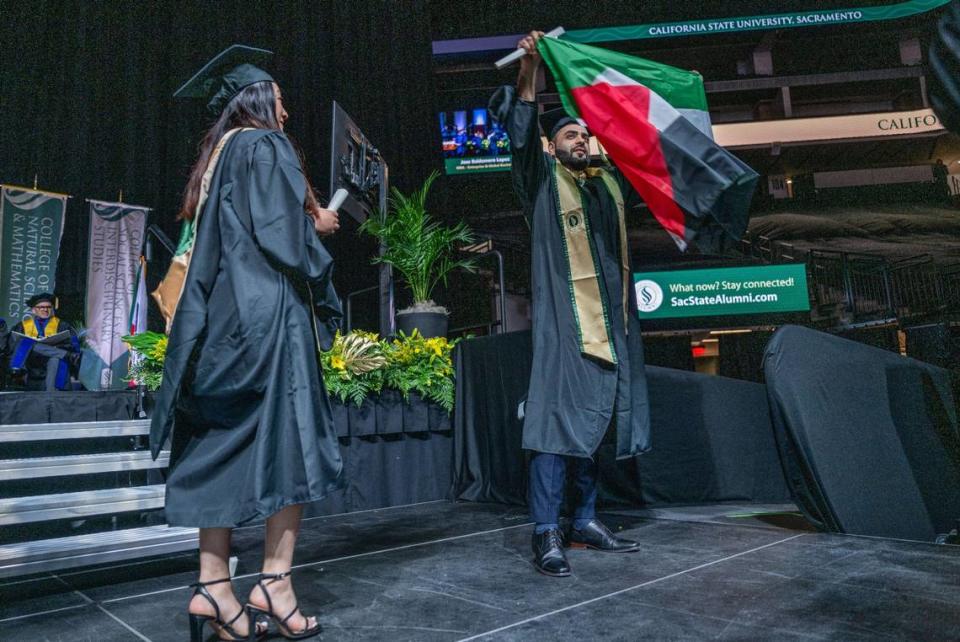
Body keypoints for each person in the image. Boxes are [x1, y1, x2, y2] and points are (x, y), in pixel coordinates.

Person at [150, 45, 342, 642]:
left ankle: (213, 587)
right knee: (294, 442)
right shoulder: (264, 146)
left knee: (221, 447)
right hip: (268, 324)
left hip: (223, 326)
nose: (286, 112)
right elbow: (283, 241)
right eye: (281, 100)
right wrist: (318, 228)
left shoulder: (218, 158)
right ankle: (275, 581)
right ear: (260, 101)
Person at [488, 31, 651, 577]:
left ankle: (583, 519)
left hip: (611, 325)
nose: (579, 139)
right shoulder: (539, 183)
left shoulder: (606, 186)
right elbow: (519, 132)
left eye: (584, 133)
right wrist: (531, 69)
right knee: (556, 428)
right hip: (565, 329)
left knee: (596, 425)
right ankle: (545, 531)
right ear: (551, 146)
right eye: (570, 134)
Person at [8, 293, 81, 391]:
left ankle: (50, 396)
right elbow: (13, 345)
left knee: (55, 358)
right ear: (33, 310)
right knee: (28, 343)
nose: (45, 310)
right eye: (41, 307)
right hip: (31, 361)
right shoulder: (22, 326)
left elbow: (71, 343)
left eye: (48, 307)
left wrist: (53, 346)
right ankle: (65, 354)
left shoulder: (62, 325)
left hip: (52, 359)